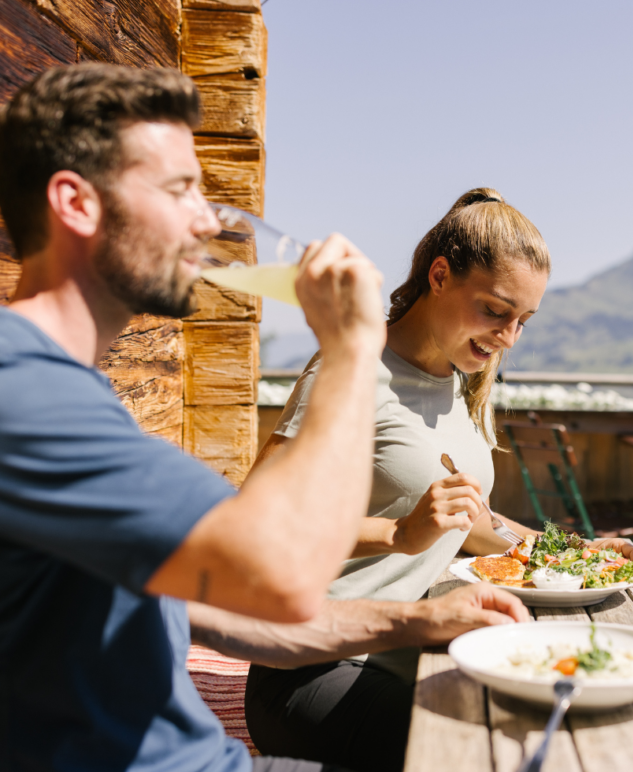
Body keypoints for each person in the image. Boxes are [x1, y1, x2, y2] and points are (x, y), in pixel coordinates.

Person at [0, 64, 527, 772]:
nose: (207, 218)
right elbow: (276, 571)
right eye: (180, 189)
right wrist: (350, 350)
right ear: (77, 203)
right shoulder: (22, 387)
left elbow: (220, 608)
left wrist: (419, 618)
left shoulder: (73, 393)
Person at [238, 188, 633, 769]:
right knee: (485, 752)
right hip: (315, 669)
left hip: (414, 653)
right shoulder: (352, 367)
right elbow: (254, 527)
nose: (508, 337)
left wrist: (574, 555)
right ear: (439, 275)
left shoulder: (462, 379)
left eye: (523, 320)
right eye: (496, 311)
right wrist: (397, 531)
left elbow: (467, 517)